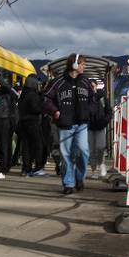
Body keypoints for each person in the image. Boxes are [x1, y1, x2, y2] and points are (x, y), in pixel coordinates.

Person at [44, 53, 93, 194]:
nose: (84, 67)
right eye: (83, 64)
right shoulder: (58, 82)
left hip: (82, 124)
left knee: (83, 151)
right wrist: (55, 112)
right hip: (65, 124)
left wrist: (88, 111)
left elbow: (93, 99)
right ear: (75, 65)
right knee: (66, 155)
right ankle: (68, 184)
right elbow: (46, 99)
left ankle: (79, 177)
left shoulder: (86, 82)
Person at [18, 74, 48, 177]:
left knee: (26, 146)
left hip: (23, 123)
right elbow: (36, 109)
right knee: (38, 145)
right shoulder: (33, 95)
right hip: (33, 123)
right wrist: (42, 105)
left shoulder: (23, 95)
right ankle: (38, 167)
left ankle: (26, 168)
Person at [87, 80, 112, 179]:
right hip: (90, 127)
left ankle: (101, 163)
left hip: (100, 125)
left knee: (100, 147)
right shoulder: (87, 98)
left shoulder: (102, 97)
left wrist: (105, 120)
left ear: (96, 86)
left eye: (93, 86)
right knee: (91, 150)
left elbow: (109, 110)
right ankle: (94, 170)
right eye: (90, 86)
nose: (92, 88)